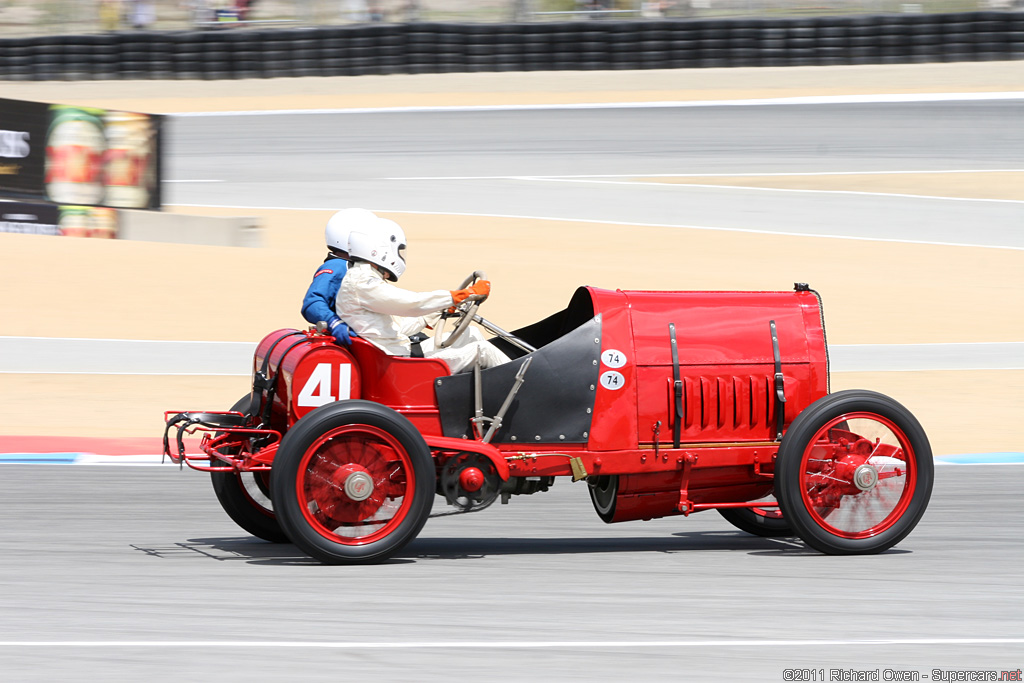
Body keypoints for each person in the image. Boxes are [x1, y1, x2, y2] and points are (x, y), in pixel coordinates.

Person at [337, 216, 509, 374]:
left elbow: (397, 328)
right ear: (378, 249)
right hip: (400, 366)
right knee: (483, 350)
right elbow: (412, 304)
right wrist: (461, 295)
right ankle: (531, 391)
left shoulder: (359, 279)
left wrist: (436, 312)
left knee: (471, 333)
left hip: (397, 355)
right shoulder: (362, 283)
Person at [300, 208, 378, 344]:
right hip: (352, 342)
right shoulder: (337, 266)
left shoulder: (360, 267)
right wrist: (334, 323)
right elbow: (312, 303)